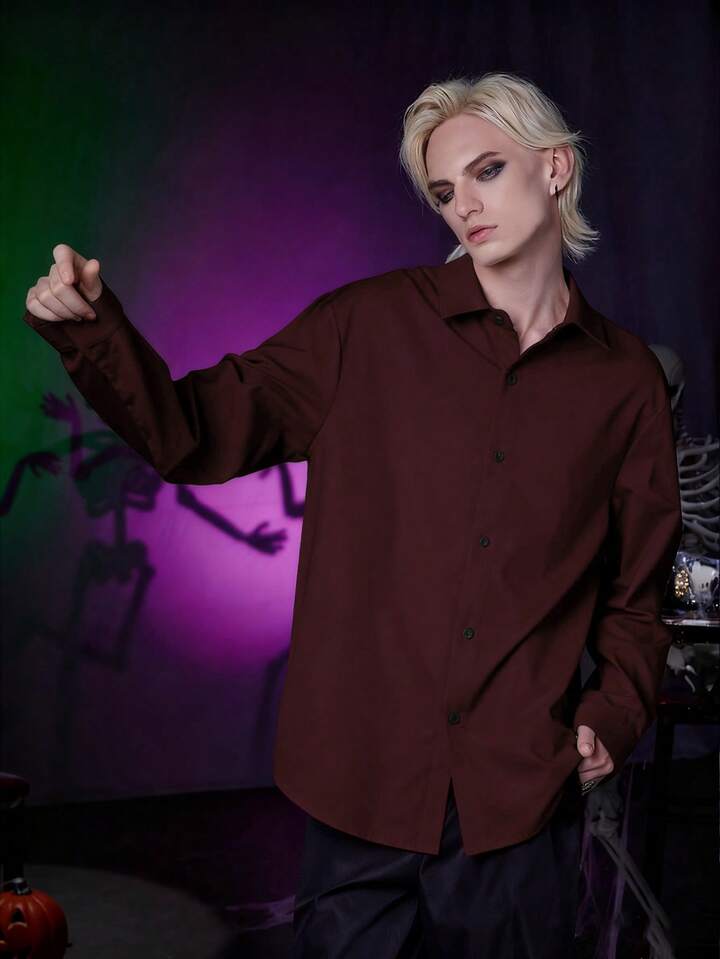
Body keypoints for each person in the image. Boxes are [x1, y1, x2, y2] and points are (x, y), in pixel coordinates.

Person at [23, 70, 682, 957]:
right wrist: (92, 328)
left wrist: (616, 709)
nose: (464, 206)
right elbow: (191, 434)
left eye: (487, 171)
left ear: (555, 167)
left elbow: (637, 590)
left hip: (520, 802)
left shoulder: (626, 379)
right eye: (444, 191)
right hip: (361, 789)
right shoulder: (362, 326)